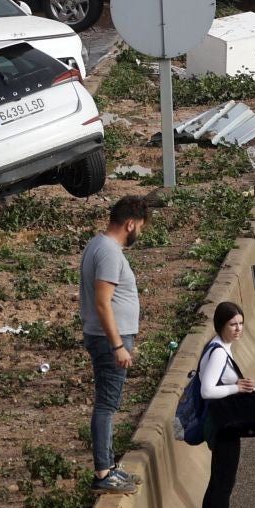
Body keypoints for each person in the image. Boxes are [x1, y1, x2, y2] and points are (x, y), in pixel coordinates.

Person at [80, 195, 150, 492]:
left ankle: (108, 466)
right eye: (141, 228)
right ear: (130, 223)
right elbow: (102, 302)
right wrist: (118, 345)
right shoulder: (108, 252)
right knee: (107, 405)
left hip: (107, 338)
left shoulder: (99, 245)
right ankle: (103, 473)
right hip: (109, 340)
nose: (140, 234)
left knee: (108, 403)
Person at [197, 300, 255, 508]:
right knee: (223, 486)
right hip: (224, 426)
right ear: (220, 325)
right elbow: (207, 390)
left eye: (241, 323)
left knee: (216, 484)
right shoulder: (219, 352)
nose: (237, 329)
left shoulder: (218, 347)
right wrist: (238, 388)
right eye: (232, 324)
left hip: (222, 425)